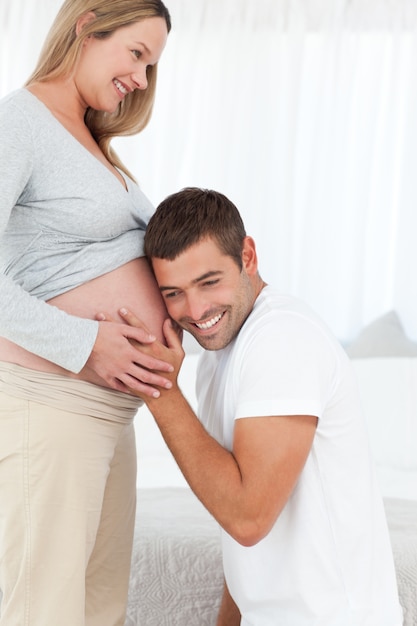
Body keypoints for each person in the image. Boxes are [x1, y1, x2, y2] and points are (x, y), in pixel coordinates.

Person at [116, 187, 403, 625]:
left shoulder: (281, 337)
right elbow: (243, 541)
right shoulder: (218, 357)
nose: (196, 310)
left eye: (209, 282)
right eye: (174, 293)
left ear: (247, 256)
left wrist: (160, 388)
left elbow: (248, 517)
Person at [0, 2, 173, 625]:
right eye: (136, 54)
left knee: (102, 611)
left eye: (151, 65)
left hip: (107, 415)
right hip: (51, 402)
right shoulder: (22, 119)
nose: (143, 80)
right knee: (41, 612)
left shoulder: (94, 141)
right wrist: (87, 344)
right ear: (87, 23)